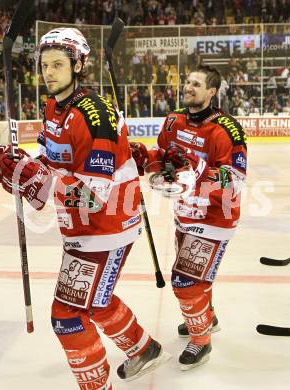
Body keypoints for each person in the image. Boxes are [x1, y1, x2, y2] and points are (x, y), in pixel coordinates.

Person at [0, 27, 169, 389]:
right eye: (44, 65)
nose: (47, 72)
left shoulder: (94, 114)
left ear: (78, 65)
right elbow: (53, 163)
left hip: (108, 223)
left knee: (67, 315)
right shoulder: (54, 106)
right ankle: (143, 349)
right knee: (96, 301)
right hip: (85, 224)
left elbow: (92, 194)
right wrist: (16, 168)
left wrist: (34, 175)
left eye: (57, 64)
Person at [131, 65, 247, 370]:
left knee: (185, 282)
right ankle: (207, 314)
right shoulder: (174, 120)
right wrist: (144, 158)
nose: (188, 86)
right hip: (184, 214)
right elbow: (163, 157)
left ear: (212, 92)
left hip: (215, 219)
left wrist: (198, 172)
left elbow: (233, 180)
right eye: (187, 82)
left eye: (196, 84)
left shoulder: (226, 129)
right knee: (196, 277)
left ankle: (201, 341)